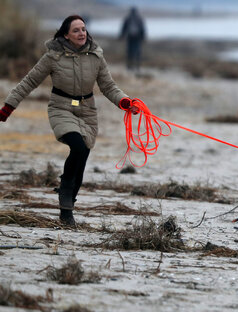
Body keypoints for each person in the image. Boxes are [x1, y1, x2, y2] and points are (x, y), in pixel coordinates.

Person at [1, 15, 138, 226]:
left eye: (83, 29)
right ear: (66, 35)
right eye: (76, 30)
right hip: (61, 108)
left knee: (82, 158)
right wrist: (8, 107)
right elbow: (29, 81)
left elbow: (108, 87)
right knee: (78, 147)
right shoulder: (53, 56)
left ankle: (67, 210)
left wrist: (125, 102)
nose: (81, 33)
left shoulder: (96, 55)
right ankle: (65, 191)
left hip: (87, 111)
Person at [119, 7, 146, 71]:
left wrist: (121, 36)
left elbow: (124, 28)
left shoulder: (128, 18)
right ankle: (137, 66)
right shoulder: (139, 18)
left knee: (129, 51)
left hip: (130, 37)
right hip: (137, 37)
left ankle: (129, 66)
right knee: (137, 51)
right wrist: (143, 37)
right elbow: (142, 29)